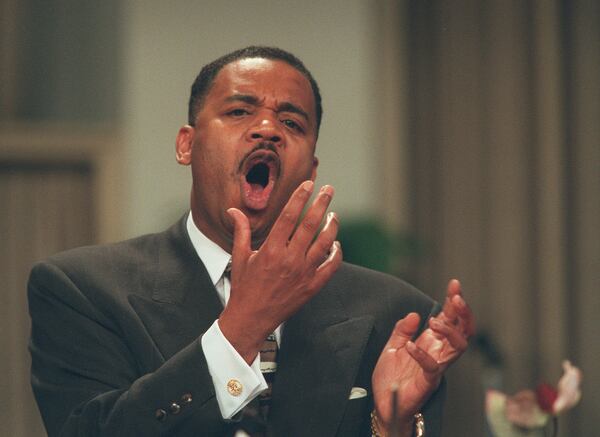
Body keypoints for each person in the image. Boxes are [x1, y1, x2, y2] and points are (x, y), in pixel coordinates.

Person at [28, 46, 474, 437]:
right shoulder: (80, 289)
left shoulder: (395, 313)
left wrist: (391, 426)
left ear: (311, 169)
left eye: (291, 122)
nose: (268, 130)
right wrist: (241, 327)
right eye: (240, 112)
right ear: (187, 145)